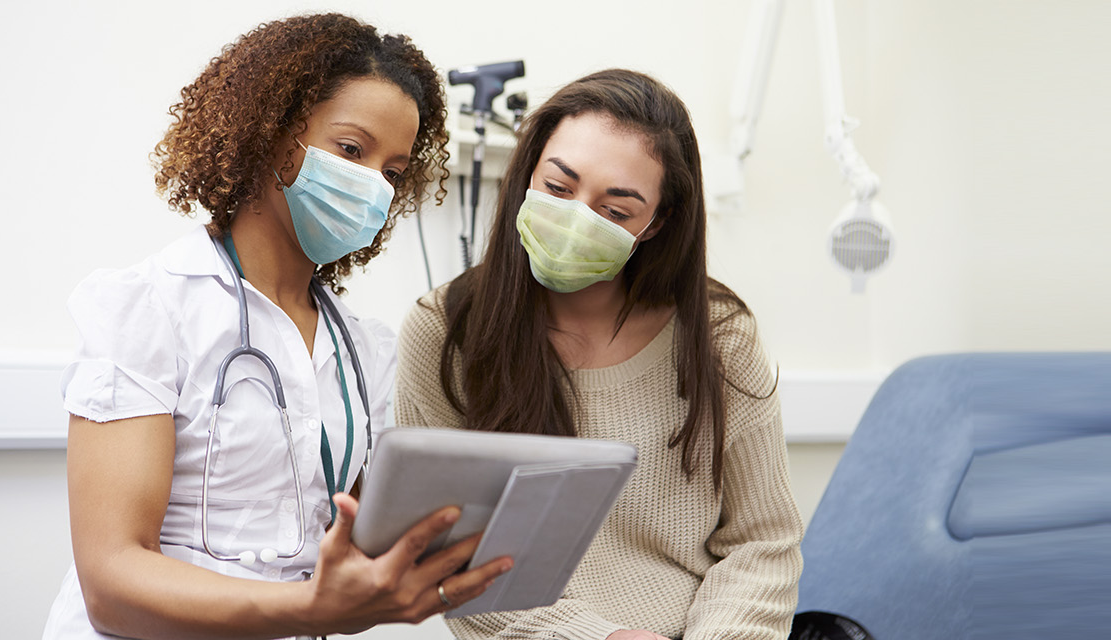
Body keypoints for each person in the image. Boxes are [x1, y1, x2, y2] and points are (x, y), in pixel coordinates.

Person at [43, 13, 512, 640]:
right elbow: (112, 582)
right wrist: (312, 609)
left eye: (393, 171)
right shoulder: (149, 309)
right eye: (351, 150)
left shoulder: (363, 349)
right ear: (270, 135)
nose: (373, 184)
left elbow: (361, 537)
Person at [395, 69, 803, 640]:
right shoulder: (444, 330)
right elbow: (451, 558)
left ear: (655, 223)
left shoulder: (718, 335)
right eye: (559, 189)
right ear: (528, 173)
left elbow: (763, 543)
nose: (576, 219)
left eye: (615, 211)